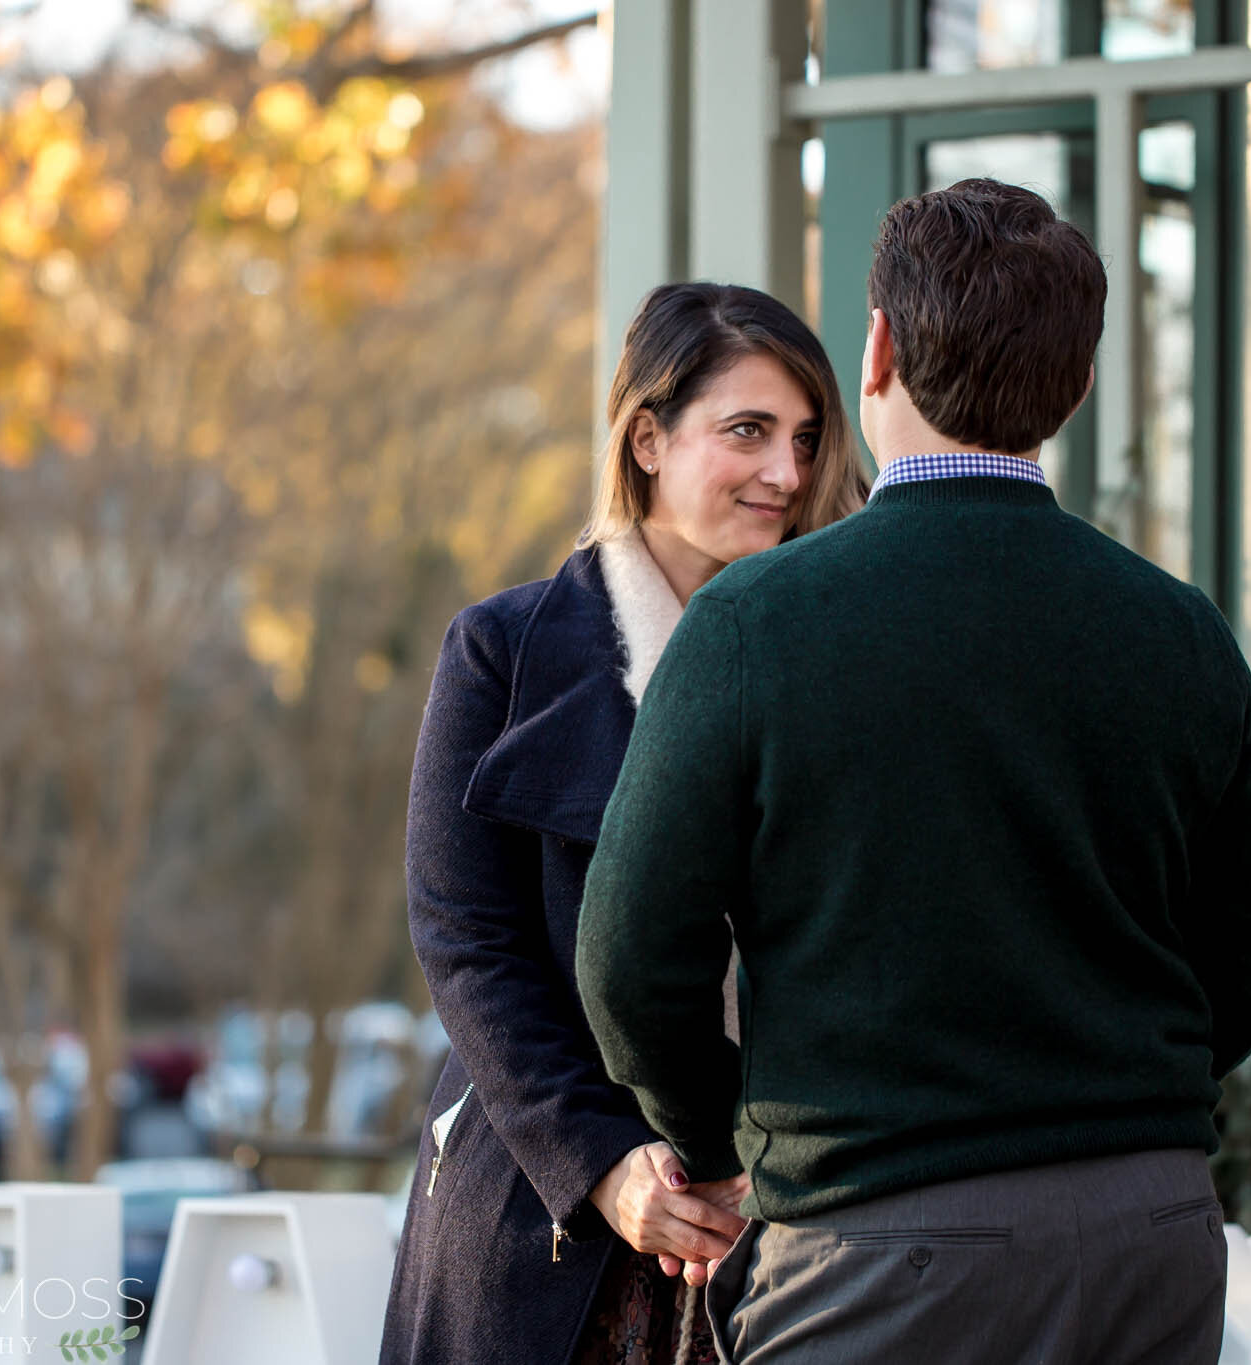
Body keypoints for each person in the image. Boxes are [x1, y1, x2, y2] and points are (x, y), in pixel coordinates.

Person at [575, 179, 1251, 1365]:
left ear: (874, 352)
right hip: (1149, 1232)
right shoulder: (1177, 631)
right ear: (1071, 387)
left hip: (880, 1246)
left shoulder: (758, 624)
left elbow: (628, 954)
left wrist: (721, 1145)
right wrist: (1111, 1089)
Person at [381, 281, 870, 1365]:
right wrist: (601, 1165)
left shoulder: (836, 664)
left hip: (798, 1232)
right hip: (546, 1219)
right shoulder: (500, 653)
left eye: (803, 437)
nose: (786, 474)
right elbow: (465, 942)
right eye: (746, 431)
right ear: (646, 437)